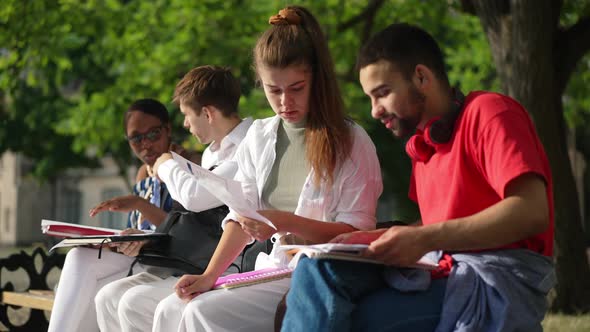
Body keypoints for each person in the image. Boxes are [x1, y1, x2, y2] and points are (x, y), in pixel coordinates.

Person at [281, 23, 556, 332]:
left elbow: (531, 213)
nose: (374, 111)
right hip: (442, 266)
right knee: (314, 270)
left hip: (495, 280)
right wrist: (371, 239)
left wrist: (425, 238)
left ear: (421, 77)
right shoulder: (424, 146)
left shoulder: (490, 112)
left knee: (356, 319)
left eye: (382, 93)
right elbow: (434, 222)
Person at [149, 6, 383, 332]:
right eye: (274, 90)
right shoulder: (260, 136)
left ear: (318, 79)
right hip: (271, 268)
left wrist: (283, 222)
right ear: (261, 84)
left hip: (319, 275)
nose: (285, 101)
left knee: (204, 313)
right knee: (173, 307)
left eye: (297, 88)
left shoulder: (351, 141)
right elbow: (240, 217)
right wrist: (209, 275)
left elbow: (358, 235)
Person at [94, 65, 254, 332]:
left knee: (133, 302)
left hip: (232, 264)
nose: (185, 125)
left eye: (186, 115)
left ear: (207, 113)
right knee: (107, 297)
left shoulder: (250, 145)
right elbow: (196, 219)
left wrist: (165, 161)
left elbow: (193, 197)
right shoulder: (213, 151)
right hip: (193, 258)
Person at [48, 98, 192, 332]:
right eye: (136, 138)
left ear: (168, 129)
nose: (145, 144)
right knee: (79, 257)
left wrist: (138, 203)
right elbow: (138, 231)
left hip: (169, 263)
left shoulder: (185, 163)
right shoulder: (143, 173)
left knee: (91, 286)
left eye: (153, 134)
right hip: (140, 258)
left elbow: (180, 228)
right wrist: (106, 242)